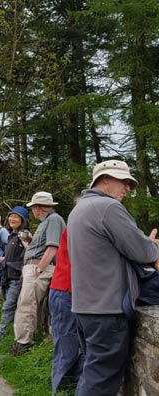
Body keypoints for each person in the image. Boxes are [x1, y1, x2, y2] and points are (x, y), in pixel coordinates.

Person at [68, 159, 159, 396]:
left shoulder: (80, 209)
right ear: (105, 179)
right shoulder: (107, 207)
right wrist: (152, 245)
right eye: (124, 181)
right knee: (101, 379)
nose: (128, 188)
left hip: (86, 305)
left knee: (93, 371)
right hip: (106, 308)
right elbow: (143, 252)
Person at [11, 191, 65, 355]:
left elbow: (53, 247)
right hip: (34, 266)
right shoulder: (47, 221)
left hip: (39, 267)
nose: (32, 211)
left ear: (38, 207)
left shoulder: (54, 220)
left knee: (26, 305)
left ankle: (23, 343)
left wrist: (39, 269)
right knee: (27, 304)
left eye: (33, 207)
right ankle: (27, 340)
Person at [0, 206, 29, 345]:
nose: (12, 219)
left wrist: (17, 267)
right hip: (8, 276)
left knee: (8, 306)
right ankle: (9, 335)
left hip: (17, 277)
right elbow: (8, 258)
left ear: (23, 220)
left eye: (16, 217)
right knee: (10, 307)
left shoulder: (24, 235)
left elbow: (27, 256)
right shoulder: (11, 235)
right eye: (11, 216)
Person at [49, 227, 84, 394]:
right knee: (66, 345)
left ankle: (70, 384)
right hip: (66, 290)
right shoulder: (79, 226)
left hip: (69, 290)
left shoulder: (80, 221)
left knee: (79, 344)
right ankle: (61, 388)